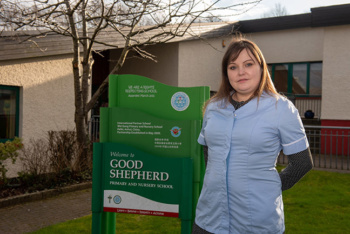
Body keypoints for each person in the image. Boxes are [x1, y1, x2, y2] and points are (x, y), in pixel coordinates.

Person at [192, 38, 313, 234]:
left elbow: (302, 163)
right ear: (226, 73)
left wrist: (268, 188)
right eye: (233, 67)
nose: (241, 72)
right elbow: (208, 151)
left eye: (248, 64)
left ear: (261, 68)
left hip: (257, 221)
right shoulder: (213, 107)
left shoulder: (280, 108)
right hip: (209, 218)